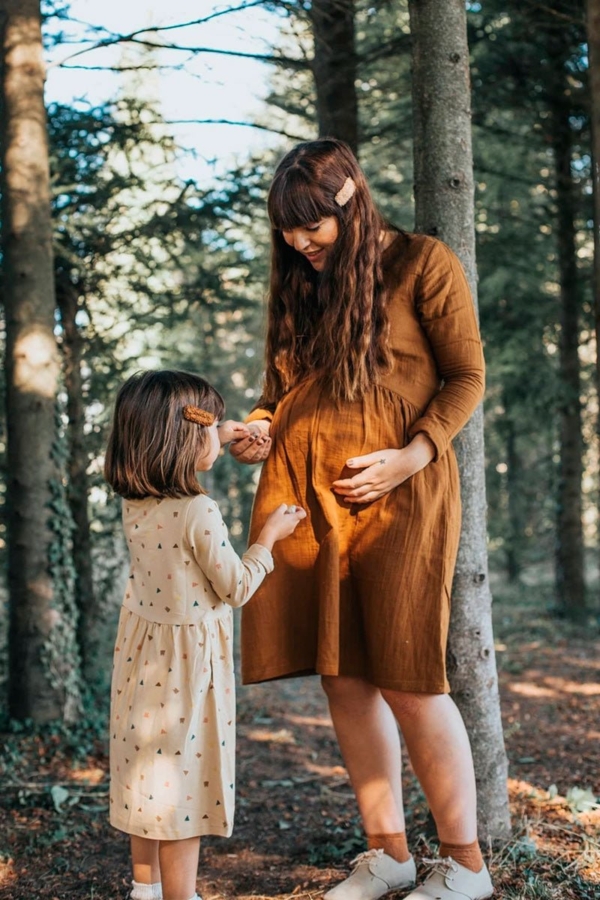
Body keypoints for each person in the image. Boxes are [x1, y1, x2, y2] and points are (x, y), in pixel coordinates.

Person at [230, 139, 494, 900]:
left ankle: (467, 865)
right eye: (286, 230)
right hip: (306, 496)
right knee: (343, 680)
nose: (297, 243)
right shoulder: (300, 281)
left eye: (310, 226)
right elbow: (278, 389)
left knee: (410, 676)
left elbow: (467, 376)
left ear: (350, 198)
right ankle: (389, 855)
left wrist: (411, 456)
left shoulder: (422, 263)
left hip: (402, 497)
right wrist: (258, 426)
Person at [104, 369, 305, 900]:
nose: (219, 433)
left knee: (147, 776)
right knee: (183, 789)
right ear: (182, 437)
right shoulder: (199, 511)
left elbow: (190, 435)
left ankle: (143, 890)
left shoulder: (137, 503)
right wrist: (268, 538)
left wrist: (226, 430)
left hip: (143, 661)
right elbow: (236, 586)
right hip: (188, 670)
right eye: (210, 427)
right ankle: (181, 894)